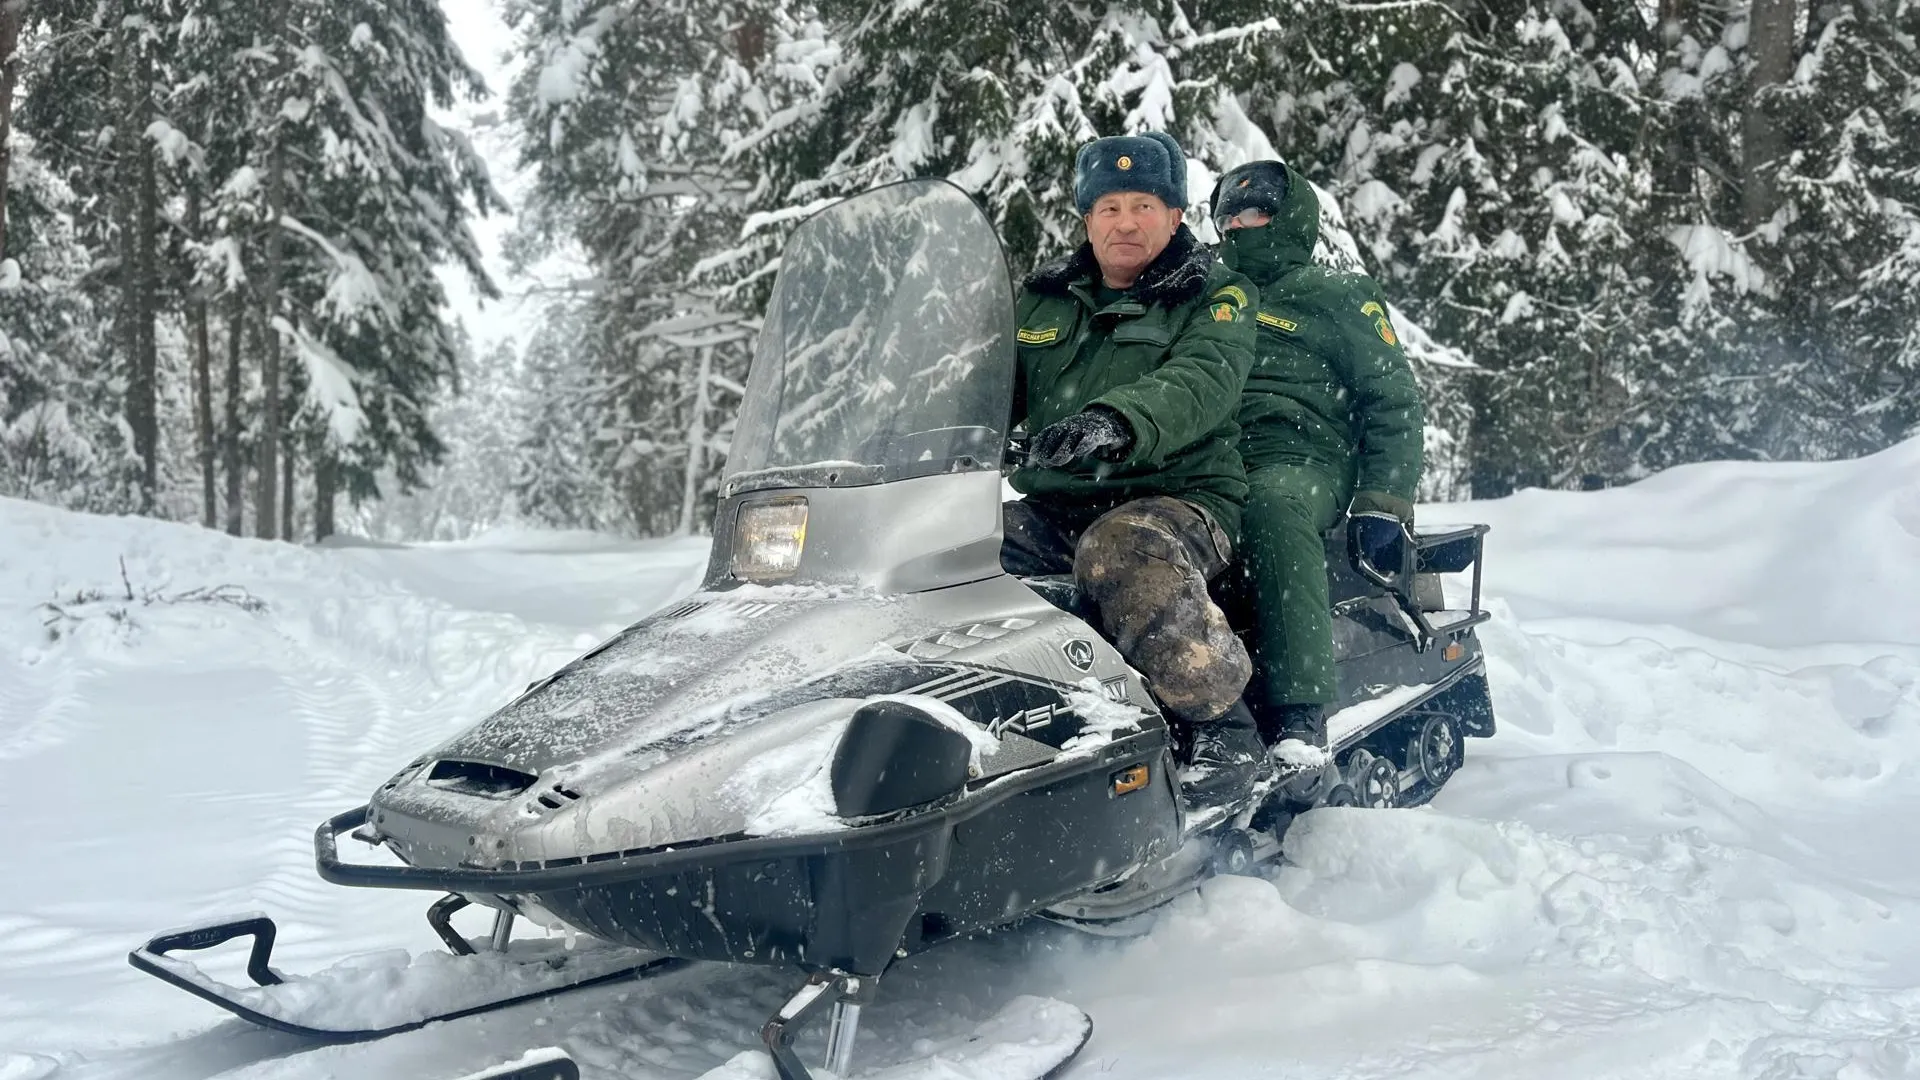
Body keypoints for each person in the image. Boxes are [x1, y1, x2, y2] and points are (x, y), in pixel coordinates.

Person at [1002, 131, 1268, 812]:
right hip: (1060, 506)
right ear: (1087, 218)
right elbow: (984, 384)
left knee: (1122, 546)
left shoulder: (1217, 293)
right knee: (949, 547)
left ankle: (1224, 732)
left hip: (1180, 501)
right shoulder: (1041, 301)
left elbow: (1200, 381)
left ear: (1176, 216)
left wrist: (1111, 422)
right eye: (1110, 206)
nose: (1126, 222)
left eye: (1144, 204)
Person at [1207, 159, 1425, 775]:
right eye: (1229, 214)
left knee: (1269, 505)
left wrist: (1383, 501)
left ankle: (1298, 709)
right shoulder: (1206, 289)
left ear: (1289, 216)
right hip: (1208, 458)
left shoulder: (1337, 295)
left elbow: (1395, 402)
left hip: (1302, 460)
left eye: (1256, 212)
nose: (1239, 225)